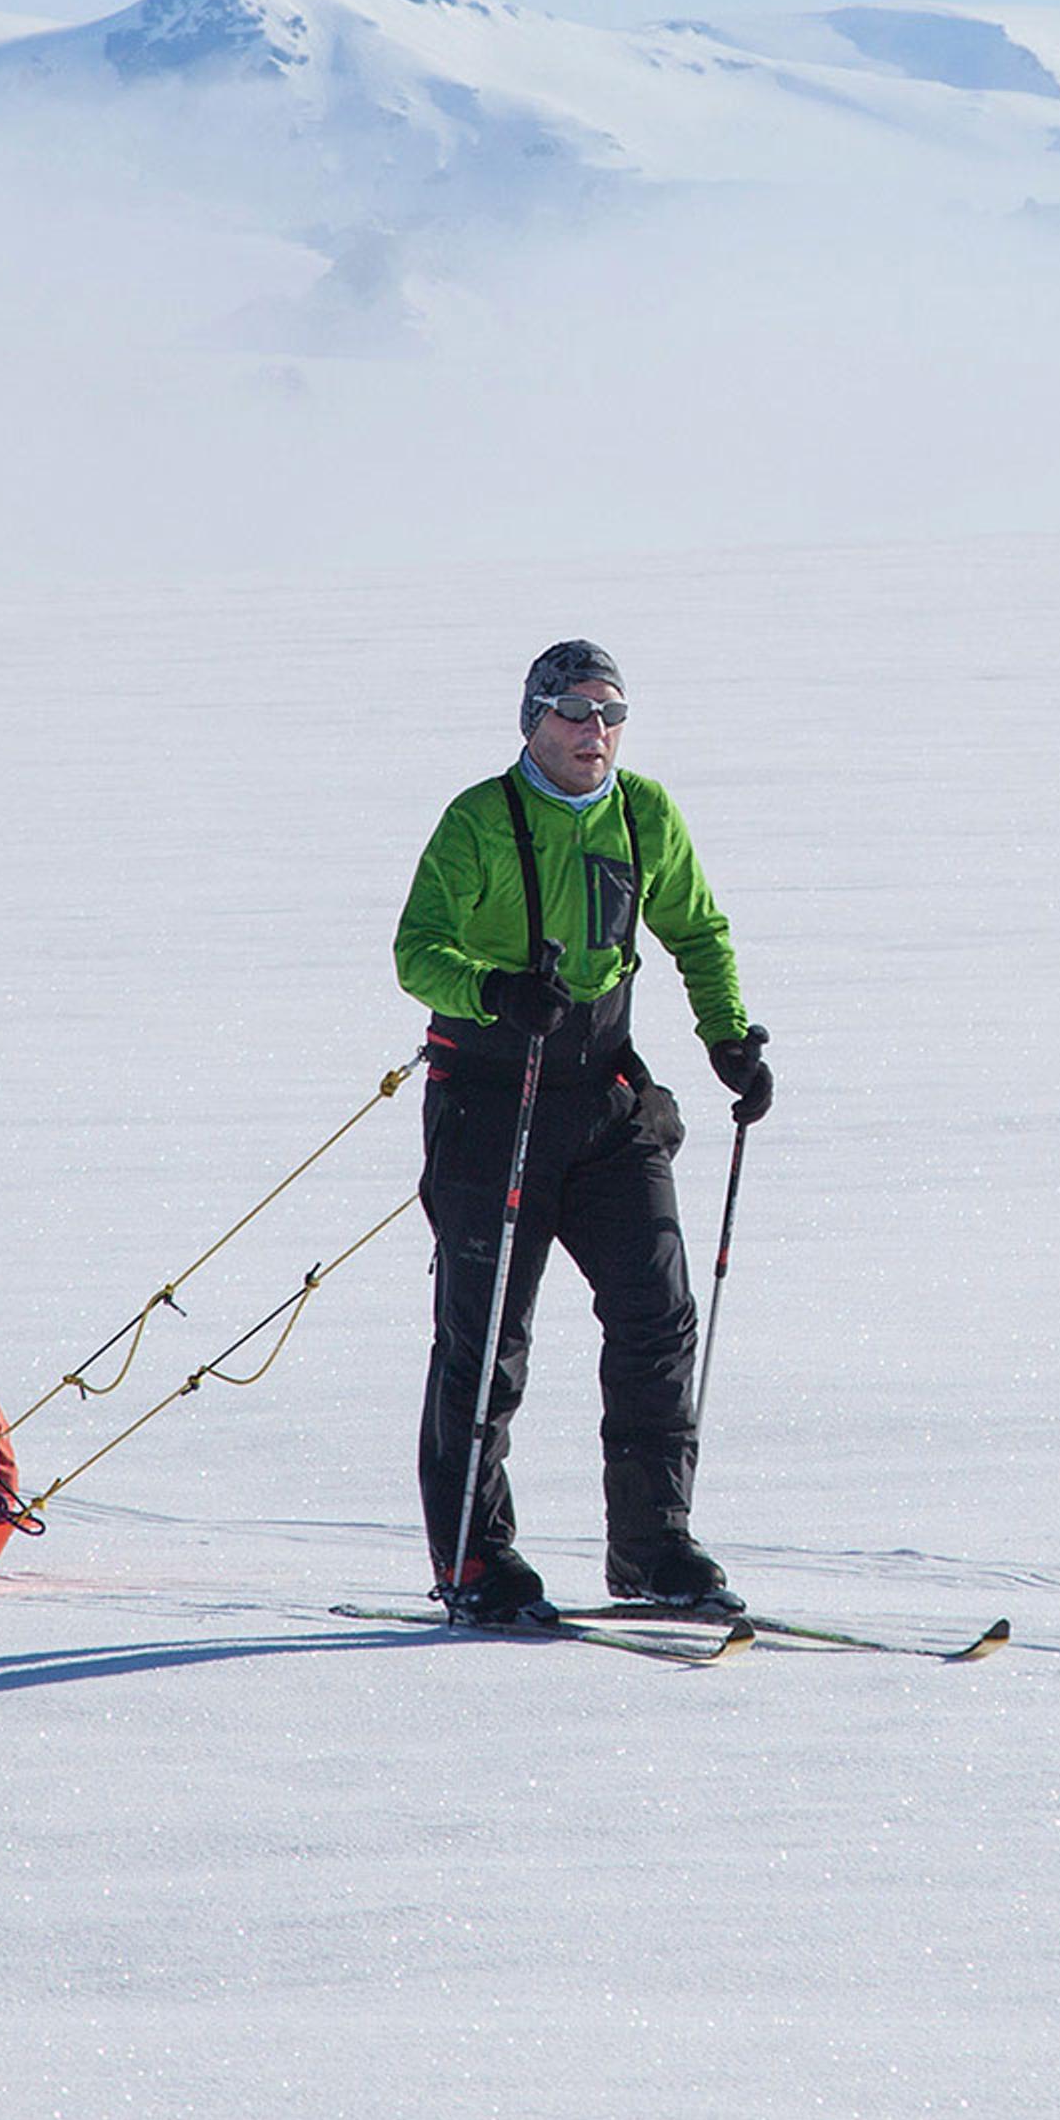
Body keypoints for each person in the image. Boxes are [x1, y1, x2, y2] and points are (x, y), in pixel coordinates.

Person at [393, 640, 774, 1624]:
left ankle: (654, 1549)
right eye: (573, 711)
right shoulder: (479, 819)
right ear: (532, 721)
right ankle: (475, 1564)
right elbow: (416, 952)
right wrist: (494, 989)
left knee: (657, 1312)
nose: (593, 731)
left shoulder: (644, 812)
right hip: (488, 1101)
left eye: (610, 712)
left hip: (604, 1098)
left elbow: (696, 930)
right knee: (486, 1340)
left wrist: (729, 1039)